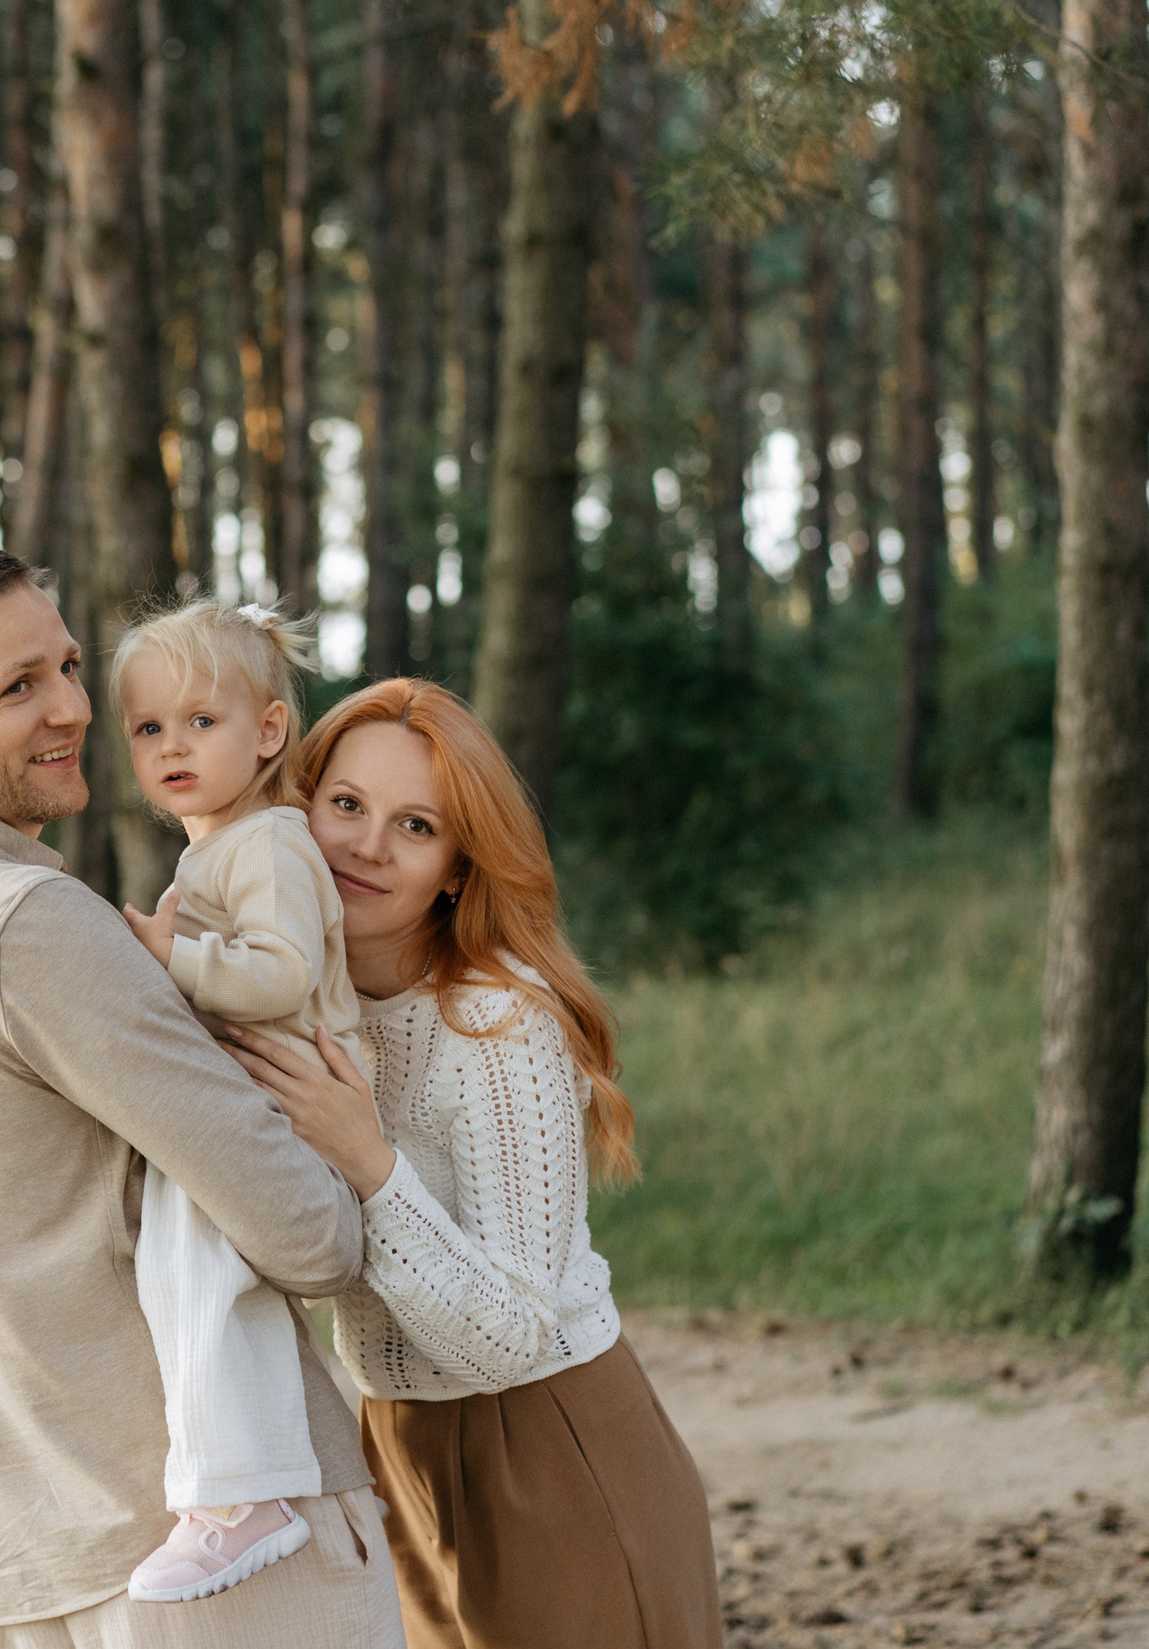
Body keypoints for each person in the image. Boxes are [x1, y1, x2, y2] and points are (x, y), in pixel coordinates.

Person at [0, 546, 407, 1649]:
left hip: (8, 1551)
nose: (74, 707)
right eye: (18, 684)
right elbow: (312, 1237)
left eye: (70, 665)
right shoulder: (31, 918)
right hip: (210, 1552)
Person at [222, 678, 724, 1649]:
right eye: (347, 805)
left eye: (414, 825)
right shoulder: (295, 1001)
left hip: (549, 1448)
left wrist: (367, 1159)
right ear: (302, 805)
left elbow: (508, 1335)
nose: (366, 844)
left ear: (456, 866)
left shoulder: (498, 1022)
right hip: (393, 1447)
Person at [109, 597, 362, 1602]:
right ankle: (220, 1486)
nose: (172, 745)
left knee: (201, 1264)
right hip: (262, 1106)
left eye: (200, 721)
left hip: (297, 1114)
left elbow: (279, 976)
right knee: (181, 1262)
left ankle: (244, 1494)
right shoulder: (218, 846)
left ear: (267, 732)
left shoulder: (266, 843)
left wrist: (175, 954)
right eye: (147, 728)